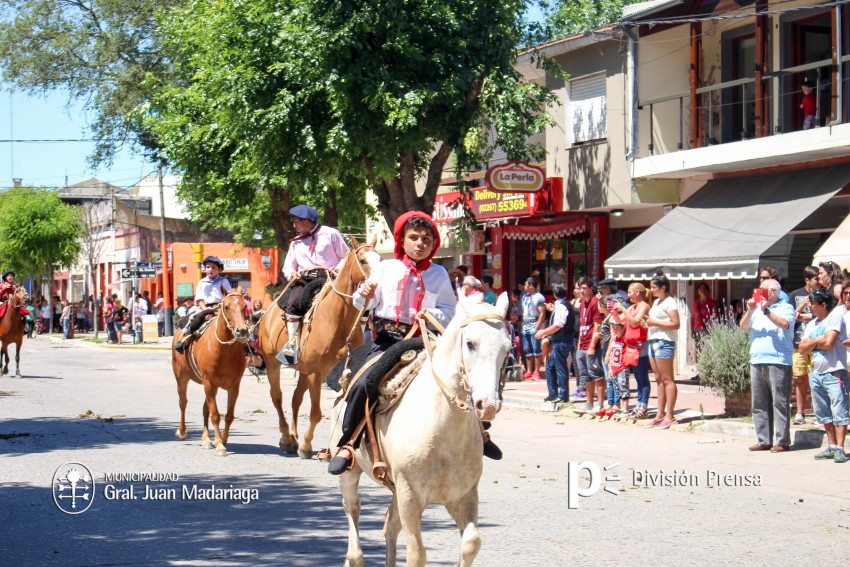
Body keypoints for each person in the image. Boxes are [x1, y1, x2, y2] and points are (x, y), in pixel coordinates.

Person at [327, 210, 483, 475]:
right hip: (388, 341)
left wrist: (429, 313)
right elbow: (360, 304)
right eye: (414, 237)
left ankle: (480, 435)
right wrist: (364, 293)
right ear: (402, 240)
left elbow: (449, 313)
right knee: (363, 381)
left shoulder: (439, 274)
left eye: (426, 238)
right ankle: (348, 443)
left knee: (463, 382)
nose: (420, 243)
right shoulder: (385, 268)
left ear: (433, 243)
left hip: (425, 341)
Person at [277, 204, 350, 361]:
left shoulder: (331, 234)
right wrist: (292, 273)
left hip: (329, 278)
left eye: (296, 221)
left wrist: (336, 270)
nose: (294, 224)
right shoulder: (295, 242)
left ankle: (352, 341)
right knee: (293, 304)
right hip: (305, 278)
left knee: (352, 302)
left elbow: (346, 256)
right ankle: (292, 346)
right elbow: (288, 266)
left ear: (306, 221)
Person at [740, 278, 795, 453]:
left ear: (773, 292)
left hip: (778, 360)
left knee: (780, 402)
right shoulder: (755, 309)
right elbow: (743, 326)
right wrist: (750, 310)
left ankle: (782, 440)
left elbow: (785, 324)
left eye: (763, 289)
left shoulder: (786, 307)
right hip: (757, 359)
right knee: (759, 402)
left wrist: (767, 311)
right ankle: (763, 439)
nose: (759, 292)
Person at [799, 288, 848, 462]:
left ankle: (840, 448)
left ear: (823, 305)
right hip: (817, 373)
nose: (810, 307)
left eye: (813, 304)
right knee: (824, 413)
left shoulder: (834, 317)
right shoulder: (812, 324)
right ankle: (832, 445)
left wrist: (812, 342)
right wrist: (814, 342)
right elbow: (802, 349)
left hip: (834, 372)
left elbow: (828, 343)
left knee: (839, 410)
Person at [174, 256, 232, 354]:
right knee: (193, 318)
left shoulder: (224, 281)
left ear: (219, 269)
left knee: (235, 322)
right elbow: (199, 299)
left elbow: (229, 296)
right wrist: (206, 310)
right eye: (208, 267)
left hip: (221, 307)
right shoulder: (202, 282)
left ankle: (245, 345)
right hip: (205, 307)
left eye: (213, 267)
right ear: (205, 269)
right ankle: (185, 339)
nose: (210, 270)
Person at [644, 272, 681, 429]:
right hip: (653, 340)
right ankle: (659, 414)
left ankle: (669, 415)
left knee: (667, 379)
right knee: (658, 378)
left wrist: (655, 322)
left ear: (663, 287)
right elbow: (656, 322)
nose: (652, 290)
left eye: (654, 287)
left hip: (664, 342)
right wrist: (648, 323)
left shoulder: (670, 302)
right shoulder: (657, 302)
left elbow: (676, 323)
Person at [611, 283, 652, 418]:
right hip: (631, 347)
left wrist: (624, 308)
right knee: (638, 378)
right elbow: (620, 321)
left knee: (643, 378)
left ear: (637, 293)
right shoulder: (632, 307)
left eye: (630, 292)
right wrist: (614, 311)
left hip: (641, 346)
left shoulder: (644, 306)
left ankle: (643, 405)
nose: (628, 295)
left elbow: (634, 322)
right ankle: (639, 404)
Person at [789, 266, 821, 425]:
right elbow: (790, 317)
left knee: (817, 378)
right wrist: (801, 308)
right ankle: (800, 413)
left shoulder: (822, 294)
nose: (819, 281)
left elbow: (821, 316)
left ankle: (819, 412)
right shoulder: (795, 295)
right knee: (799, 377)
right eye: (816, 279)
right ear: (808, 280)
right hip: (798, 342)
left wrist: (804, 316)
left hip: (817, 343)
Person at [535, 284, 574, 403]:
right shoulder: (561, 305)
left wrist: (543, 332)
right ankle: (553, 393)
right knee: (550, 365)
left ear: (555, 295)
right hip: (558, 339)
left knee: (560, 367)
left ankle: (563, 396)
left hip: (562, 339)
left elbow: (558, 325)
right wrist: (552, 309)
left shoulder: (562, 306)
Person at [575, 277, 603, 411]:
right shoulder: (581, 305)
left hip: (592, 345)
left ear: (591, 289)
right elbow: (582, 325)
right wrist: (579, 345)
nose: (582, 291)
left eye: (585, 288)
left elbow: (597, 325)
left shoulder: (595, 302)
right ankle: (589, 402)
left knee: (597, 374)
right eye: (580, 288)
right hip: (582, 343)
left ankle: (601, 404)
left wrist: (592, 345)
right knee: (585, 375)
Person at [519, 277, 547, 380]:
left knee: (536, 349)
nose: (525, 286)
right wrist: (522, 322)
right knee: (527, 349)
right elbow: (523, 310)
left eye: (526, 284)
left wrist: (537, 327)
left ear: (531, 285)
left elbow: (542, 313)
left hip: (534, 323)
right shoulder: (524, 296)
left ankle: (536, 371)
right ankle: (529, 371)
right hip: (526, 323)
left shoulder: (539, 297)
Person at [691, 282, 716, 354]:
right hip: (698, 329)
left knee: (708, 348)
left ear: (708, 290)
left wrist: (712, 329)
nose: (702, 290)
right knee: (698, 349)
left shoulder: (712, 303)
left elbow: (715, 316)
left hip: (708, 329)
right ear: (698, 291)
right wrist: (692, 330)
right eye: (700, 288)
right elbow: (693, 317)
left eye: (704, 288)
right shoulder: (695, 303)